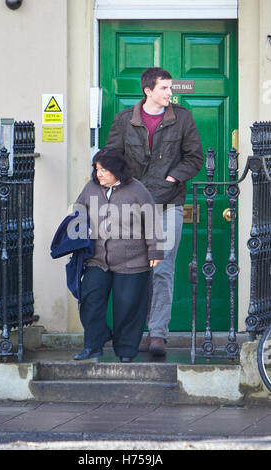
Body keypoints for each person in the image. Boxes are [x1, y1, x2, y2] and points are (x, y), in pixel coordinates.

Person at [105, 67, 203, 357]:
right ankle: (132, 332)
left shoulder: (182, 117)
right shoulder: (124, 120)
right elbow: (111, 159)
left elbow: (195, 157)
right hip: (132, 206)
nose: (170, 93)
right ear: (148, 90)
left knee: (162, 268)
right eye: (164, 88)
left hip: (169, 204)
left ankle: (157, 333)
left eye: (170, 88)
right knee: (132, 269)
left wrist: (172, 177)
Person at [72, 148, 164, 363]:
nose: (99, 174)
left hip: (133, 259)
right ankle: (93, 345)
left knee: (128, 305)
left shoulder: (137, 190)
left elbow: (151, 220)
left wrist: (155, 250)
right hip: (97, 258)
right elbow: (78, 208)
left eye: (104, 170)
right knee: (90, 300)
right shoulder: (91, 188)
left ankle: (126, 350)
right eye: (97, 169)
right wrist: (81, 225)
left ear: (117, 170)